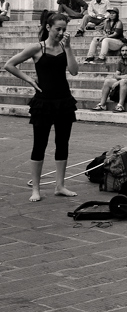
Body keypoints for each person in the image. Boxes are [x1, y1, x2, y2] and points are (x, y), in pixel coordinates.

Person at [3, 11, 79, 202]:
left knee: (62, 143)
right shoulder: (37, 48)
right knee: (40, 144)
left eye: (64, 29)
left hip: (64, 101)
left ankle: (60, 185)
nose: (61, 32)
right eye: (58, 29)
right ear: (48, 27)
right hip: (43, 102)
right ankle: (35, 188)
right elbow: (10, 65)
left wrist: (69, 48)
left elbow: (74, 71)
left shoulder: (64, 47)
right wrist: (29, 80)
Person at [94, 43, 127, 112]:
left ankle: (120, 106)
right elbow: (116, 75)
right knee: (107, 81)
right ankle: (102, 104)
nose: (124, 53)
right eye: (122, 51)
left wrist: (119, 80)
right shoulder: (121, 62)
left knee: (123, 81)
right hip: (126, 82)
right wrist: (123, 77)